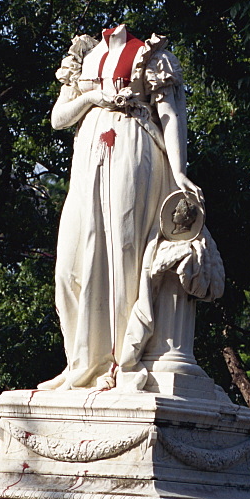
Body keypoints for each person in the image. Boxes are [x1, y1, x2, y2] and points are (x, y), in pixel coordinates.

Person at [39, 24, 224, 392]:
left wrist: (179, 171)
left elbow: (171, 115)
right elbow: (59, 118)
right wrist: (93, 99)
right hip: (89, 155)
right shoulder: (84, 55)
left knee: (123, 252)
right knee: (70, 266)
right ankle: (80, 361)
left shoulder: (151, 54)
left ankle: (119, 359)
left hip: (133, 150)